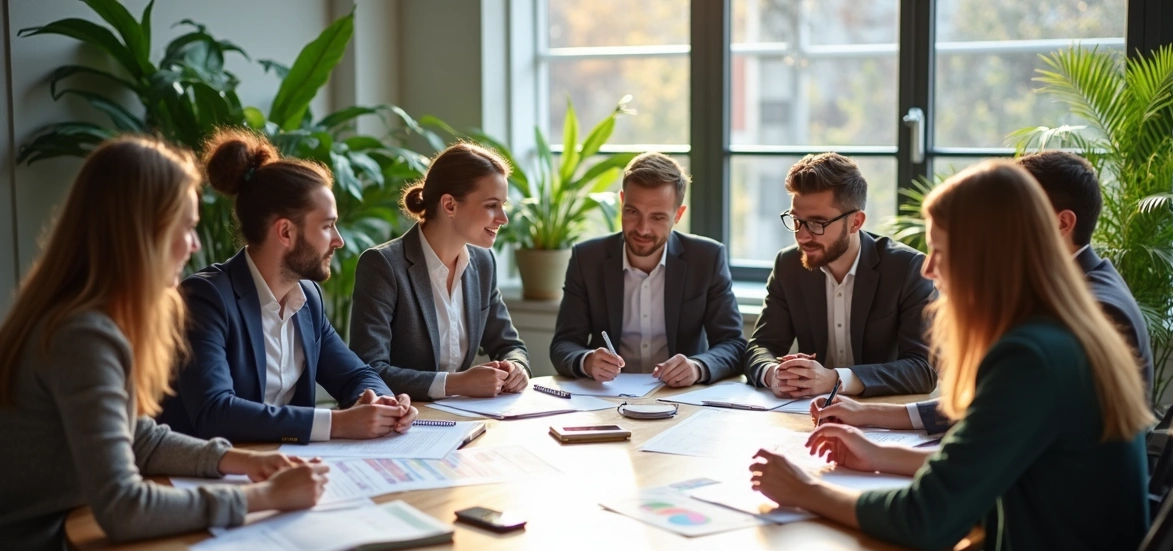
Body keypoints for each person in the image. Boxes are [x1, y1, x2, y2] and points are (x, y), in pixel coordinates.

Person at [751, 161, 1153, 551]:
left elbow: (926, 519)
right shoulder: (1064, 331)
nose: (927, 268)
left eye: (941, 250)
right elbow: (991, 461)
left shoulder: (1030, 357)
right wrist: (882, 454)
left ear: (993, 253)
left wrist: (804, 490)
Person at [0, 137, 329, 551]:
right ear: (141, 231)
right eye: (187, 228)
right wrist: (264, 496)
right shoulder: (84, 335)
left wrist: (240, 462)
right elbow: (125, 506)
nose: (194, 245)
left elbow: (139, 438)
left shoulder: (87, 316)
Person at [812, 151, 1154, 434]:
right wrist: (870, 415)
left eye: (1018, 213)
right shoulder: (1067, 294)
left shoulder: (1092, 313)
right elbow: (997, 409)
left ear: (1062, 224)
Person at [158, 130, 416, 444]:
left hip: (281, 470)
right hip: (199, 478)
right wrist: (336, 423)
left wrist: (383, 401)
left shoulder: (307, 299)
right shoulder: (205, 299)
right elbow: (215, 412)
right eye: (326, 226)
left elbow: (355, 376)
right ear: (285, 232)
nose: (338, 240)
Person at [745, 152, 936, 398]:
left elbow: (923, 370)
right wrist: (775, 374)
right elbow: (761, 346)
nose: (802, 236)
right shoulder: (788, 264)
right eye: (796, 220)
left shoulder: (907, 268)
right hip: (808, 414)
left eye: (817, 223)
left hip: (883, 414)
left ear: (856, 222)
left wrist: (835, 379)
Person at [349, 142, 530, 401]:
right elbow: (370, 369)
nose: (503, 218)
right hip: (403, 421)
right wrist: (456, 384)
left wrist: (517, 368)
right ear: (449, 205)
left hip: (463, 420)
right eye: (491, 205)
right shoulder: (383, 265)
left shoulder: (482, 262)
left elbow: (510, 345)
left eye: (503, 205)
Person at [550, 152, 745, 386]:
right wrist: (586, 361)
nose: (643, 229)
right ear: (622, 202)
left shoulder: (706, 258)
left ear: (678, 215)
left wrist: (697, 367)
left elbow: (733, 344)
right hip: (606, 397)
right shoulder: (587, 258)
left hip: (679, 398)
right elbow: (564, 344)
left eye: (658, 217)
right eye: (633, 212)